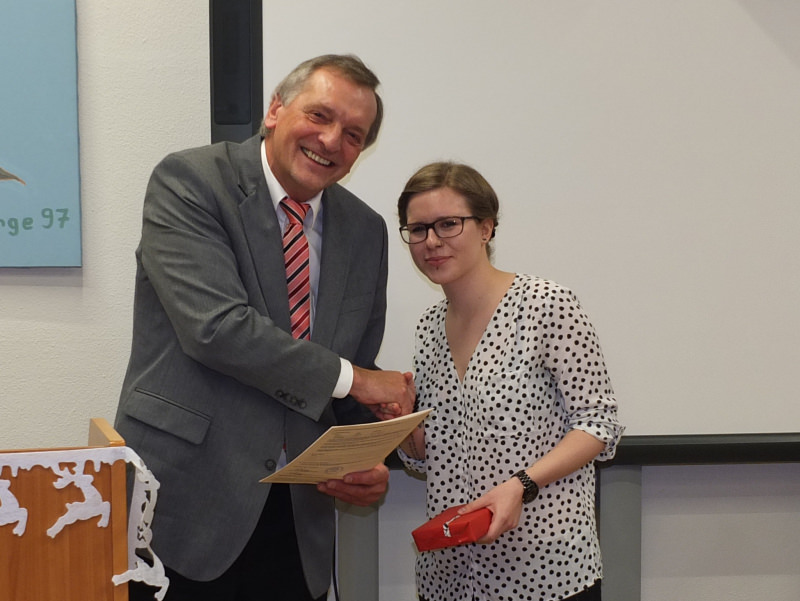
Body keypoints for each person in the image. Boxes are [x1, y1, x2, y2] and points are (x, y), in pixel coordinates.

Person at [115, 54, 414, 601]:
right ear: (275, 109)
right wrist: (359, 380)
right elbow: (215, 328)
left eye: (353, 134)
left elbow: (349, 375)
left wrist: (365, 462)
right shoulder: (190, 181)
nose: (331, 140)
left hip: (297, 519)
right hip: (182, 504)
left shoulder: (365, 231)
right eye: (319, 115)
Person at [396, 162, 624, 601]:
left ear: (486, 228)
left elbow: (598, 423)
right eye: (418, 229)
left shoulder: (545, 304)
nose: (432, 241)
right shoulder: (428, 327)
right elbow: (430, 458)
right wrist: (404, 426)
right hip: (449, 577)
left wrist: (521, 485)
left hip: (544, 574)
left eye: (448, 224)